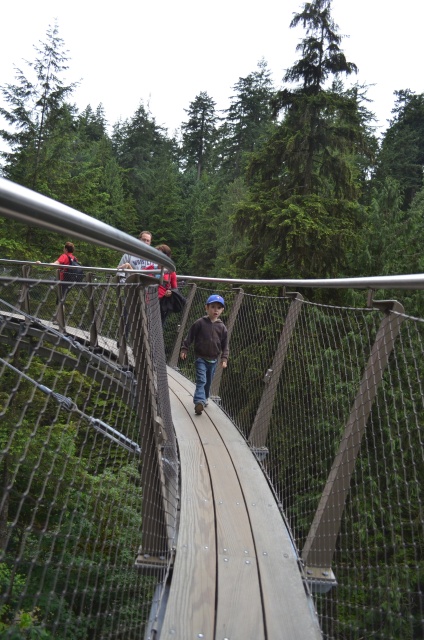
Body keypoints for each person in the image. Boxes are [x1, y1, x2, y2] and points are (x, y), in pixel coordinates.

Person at [180, 294, 228, 415]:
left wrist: (224, 358)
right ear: (206, 308)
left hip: (213, 360)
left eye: (219, 307)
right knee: (202, 380)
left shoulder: (222, 328)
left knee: (208, 382)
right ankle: (198, 402)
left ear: (222, 310)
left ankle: (204, 398)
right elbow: (189, 337)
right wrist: (184, 349)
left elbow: (225, 345)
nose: (215, 310)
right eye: (212, 307)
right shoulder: (200, 323)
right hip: (200, 358)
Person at [145, 244, 178, 325]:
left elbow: (175, 289)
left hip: (162, 304)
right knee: (146, 325)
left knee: (158, 326)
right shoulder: (150, 268)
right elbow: (138, 277)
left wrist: (170, 292)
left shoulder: (171, 272)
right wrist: (129, 267)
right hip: (149, 301)